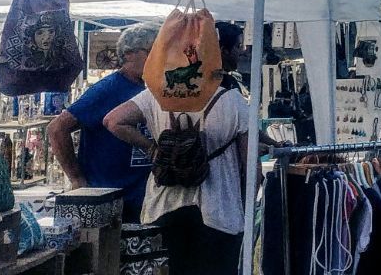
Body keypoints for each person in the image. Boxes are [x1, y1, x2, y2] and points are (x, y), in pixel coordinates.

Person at [105, 67, 249, 275]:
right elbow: (251, 165)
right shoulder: (233, 101)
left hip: (163, 208)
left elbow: (113, 121)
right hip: (220, 213)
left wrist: (152, 148)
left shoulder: (155, 95)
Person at [48, 23, 158, 221]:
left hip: (142, 198)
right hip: (108, 198)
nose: (159, 57)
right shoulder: (108, 89)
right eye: (152, 51)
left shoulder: (152, 88)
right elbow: (57, 128)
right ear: (130, 53)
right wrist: (76, 178)